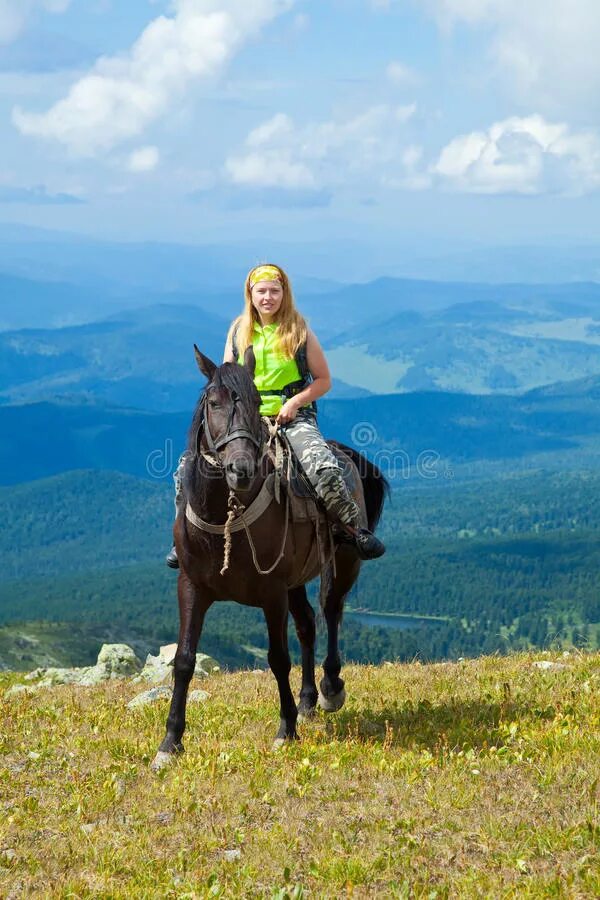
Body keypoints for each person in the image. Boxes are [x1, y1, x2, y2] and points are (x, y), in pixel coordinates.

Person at [166, 263, 385, 567]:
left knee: (319, 464)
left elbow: (323, 380)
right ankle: (183, 537)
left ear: (285, 293)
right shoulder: (238, 330)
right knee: (188, 467)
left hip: (293, 416)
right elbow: (227, 379)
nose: (268, 297)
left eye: (274, 291)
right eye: (261, 291)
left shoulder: (299, 330)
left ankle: (351, 527)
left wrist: (294, 403)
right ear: (251, 295)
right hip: (245, 419)